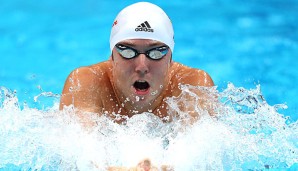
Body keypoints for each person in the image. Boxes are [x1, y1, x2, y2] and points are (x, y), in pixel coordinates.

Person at [59, 2, 214, 170]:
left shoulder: (192, 86)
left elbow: (201, 158)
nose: (141, 66)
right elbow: (81, 158)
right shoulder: (87, 82)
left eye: (156, 52)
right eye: (127, 51)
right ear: (112, 56)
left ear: (170, 58)